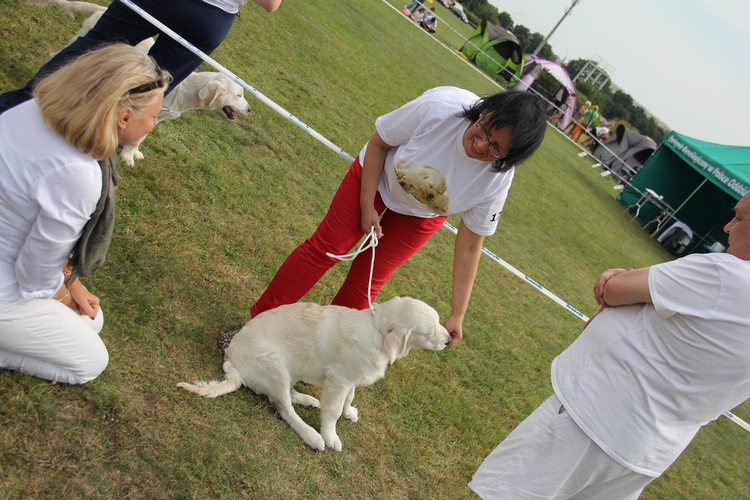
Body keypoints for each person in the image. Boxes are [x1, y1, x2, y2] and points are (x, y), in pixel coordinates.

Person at [469, 193, 750, 498]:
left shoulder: (727, 275)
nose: (727, 226)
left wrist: (622, 279)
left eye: (740, 218)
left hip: (594, 416)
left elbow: (615, 290)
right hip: (645, 452)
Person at [248, 87, 547, 347]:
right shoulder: (439, 109)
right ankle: (256, 328)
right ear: (483, 112)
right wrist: (367, 204)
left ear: (508, 158)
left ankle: (318, 353)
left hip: (422, 214)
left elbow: (470, 245)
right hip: (376, 176)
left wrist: (458, 313)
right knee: (328, 248)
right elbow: (379, 143)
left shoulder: (497, 180)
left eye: (495, 148)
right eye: (484, 129)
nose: (481, 144)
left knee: (366, 283)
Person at [0, 44, 171, 384]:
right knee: (89, 360)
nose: (154, 124)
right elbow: (33, 273)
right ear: (124, 118)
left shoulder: (33, 109)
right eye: (153, 116)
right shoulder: (78, 173)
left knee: (90, 319)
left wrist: (71, 283)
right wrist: (62, 292)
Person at [0, 0, 282, 115]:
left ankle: (17, 108)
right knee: (150, 87)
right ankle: (86, 144)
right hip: (210, 18)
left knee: (90, 49)